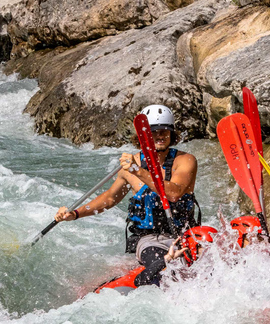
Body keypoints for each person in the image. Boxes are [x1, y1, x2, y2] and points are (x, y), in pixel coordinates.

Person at [54, 104, 200, 276]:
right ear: (144, 137)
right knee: (160, 268)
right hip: (150, 239)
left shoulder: (185, 160)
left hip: (186, 234)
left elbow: (174, 193)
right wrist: (76, 213)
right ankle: (161, 266)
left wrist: (137, 171)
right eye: (154, 131)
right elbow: (109, 198)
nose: (160, 135)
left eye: (165, 131)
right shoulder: (129, 167)